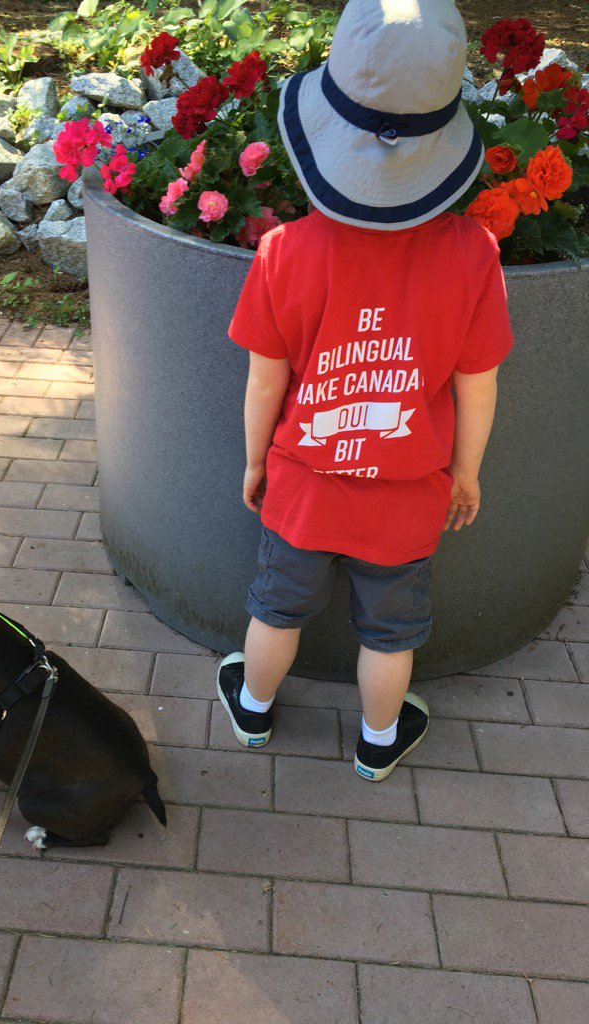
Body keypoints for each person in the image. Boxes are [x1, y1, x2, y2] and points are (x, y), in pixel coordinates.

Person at [216, 0, 514, 781]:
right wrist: (465, 473)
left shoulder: (283, 251)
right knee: (390, 633)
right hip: (409, 491)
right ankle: (378, 742)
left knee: (275, 609)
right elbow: (477, 387)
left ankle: (252, 710)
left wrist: (256, 463)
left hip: (303, 485)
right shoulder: (476, 255)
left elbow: (263, 379)